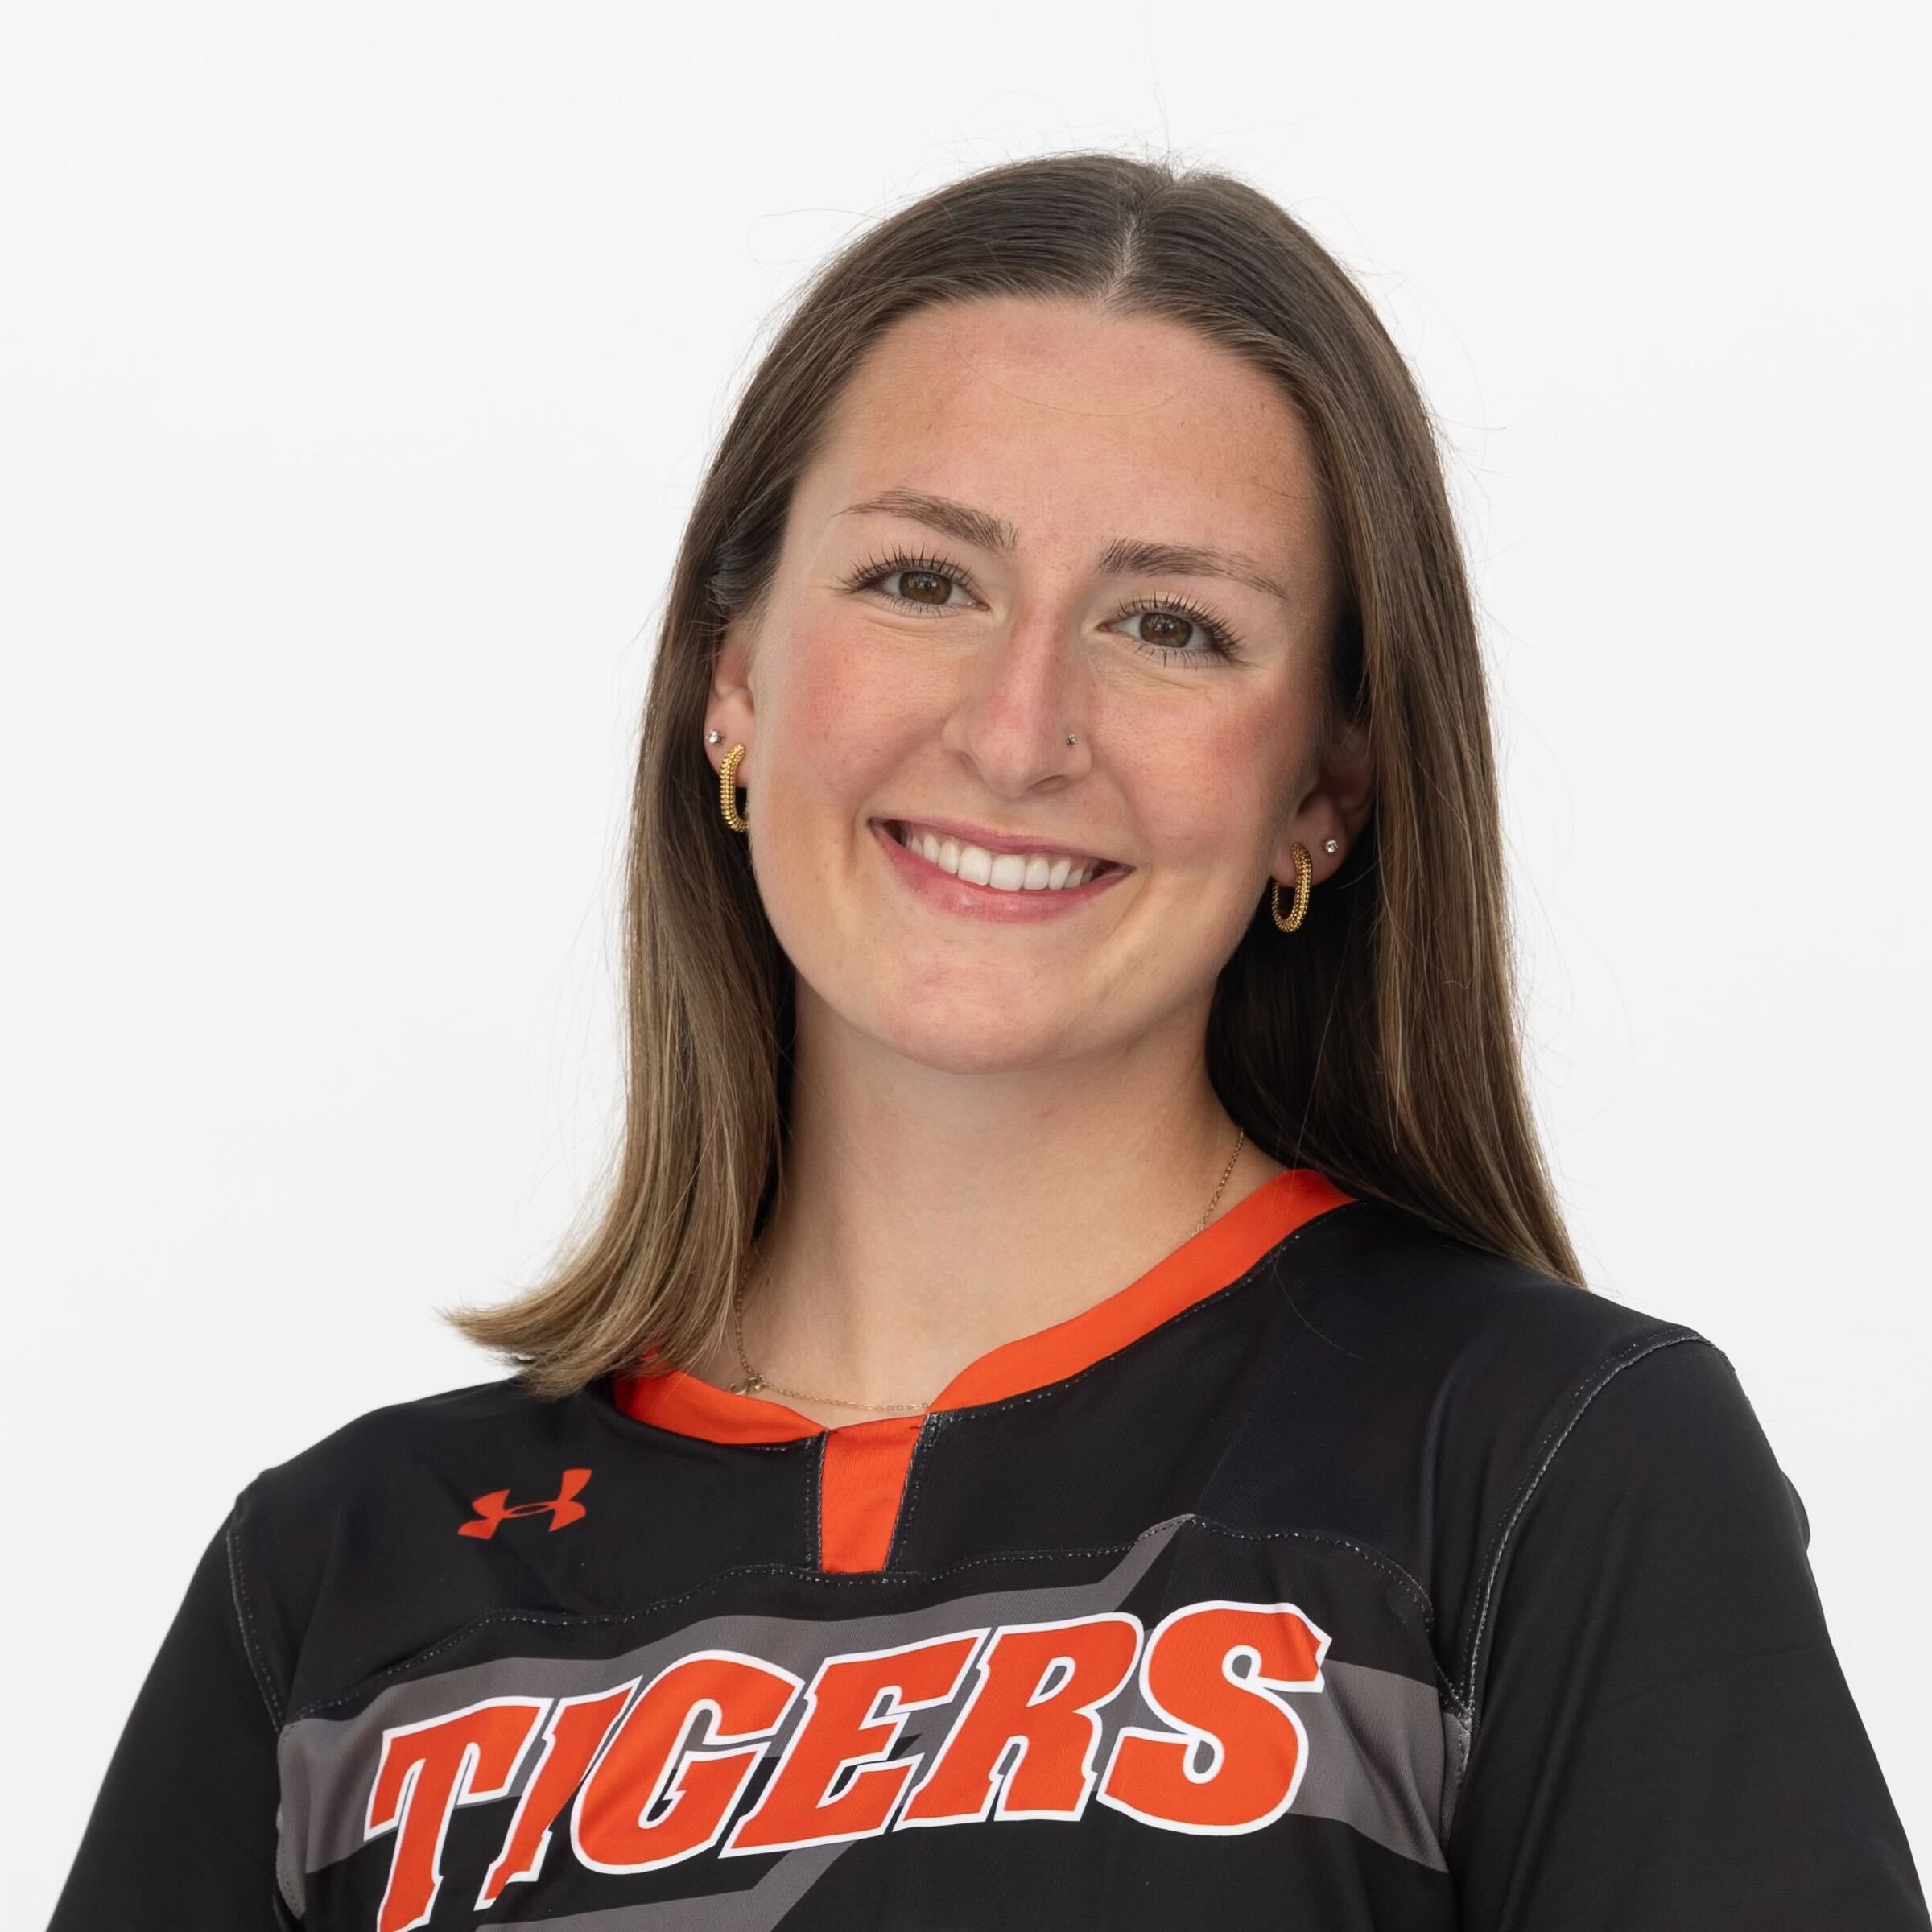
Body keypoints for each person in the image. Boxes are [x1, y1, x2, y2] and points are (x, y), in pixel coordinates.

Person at [49, 151, 1926, 1931]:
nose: (1021, 731)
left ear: (1326, 791)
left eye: (1173, 626)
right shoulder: (335, 1586)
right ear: (735, 682)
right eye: (922, 582)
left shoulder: (1544, 1474)